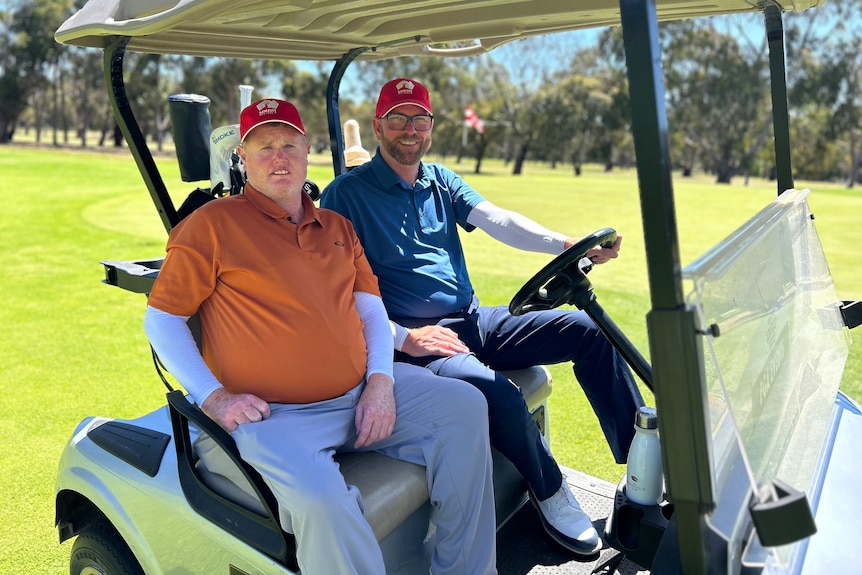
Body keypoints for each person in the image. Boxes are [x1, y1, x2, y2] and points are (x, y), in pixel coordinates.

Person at [144, 98, 497, 574]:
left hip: (357, 394)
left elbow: (370, 312)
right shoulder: (211, 226)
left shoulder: (336, 226)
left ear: (308, 149)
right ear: (242, 158)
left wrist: (380, 382)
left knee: (467, 405)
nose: (279, 156)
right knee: (321, 502)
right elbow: (163, 319)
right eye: (264, 146)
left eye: (289, 144)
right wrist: (214, 397)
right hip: (276, 415)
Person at [321, 78, 646, 556]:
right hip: (419, 342)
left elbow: (498, 219)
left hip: (474, 320)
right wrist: (401, 338)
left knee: (589, 332)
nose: (409, 129)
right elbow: (337, 294)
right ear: (378, 125)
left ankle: (641, 465)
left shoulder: (440, 180)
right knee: (500, 392)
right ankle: (551, 492)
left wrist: (565, 244)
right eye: (397, 118)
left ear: (430, 126)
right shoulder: (346, 195)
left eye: (419, 119)